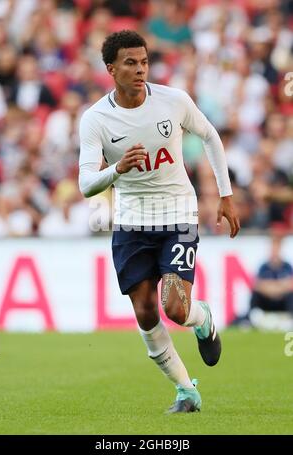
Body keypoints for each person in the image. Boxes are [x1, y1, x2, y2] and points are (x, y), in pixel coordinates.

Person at [78, 30, 240, 413]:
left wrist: (226, 194)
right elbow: (86, 183)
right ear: (110, 69)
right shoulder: (96, 119)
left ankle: (203, 320)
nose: (140, 70)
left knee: (175, 307)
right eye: (130, 63)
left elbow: (210, 136)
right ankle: (186, 391)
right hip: (132, 223)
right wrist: (117, 168)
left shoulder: (173, 101)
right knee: (146, 311)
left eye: (144, 62)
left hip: (178, 215)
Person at [249, 231, 293, 330]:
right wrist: (279, 286)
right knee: (255, 295)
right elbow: (258, 285)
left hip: (282, 300)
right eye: (273, 248)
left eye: (276, 248)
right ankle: (253, 318)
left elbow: (290, 284)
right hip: (267, 299)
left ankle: (290, 320)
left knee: (291, 296)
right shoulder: (263, 266)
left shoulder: (287, 266)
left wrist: (270, 287)